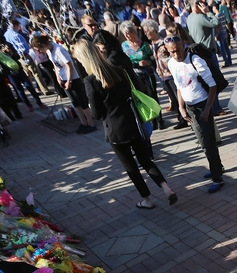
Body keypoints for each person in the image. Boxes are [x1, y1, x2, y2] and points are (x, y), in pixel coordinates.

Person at [72, 40, 177, 209]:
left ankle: (147, 200)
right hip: (133, 122)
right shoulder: (119, 70)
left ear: (85, 59)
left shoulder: (90, 81)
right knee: (145, 159)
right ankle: (166, 187)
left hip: (115, 131)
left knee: (130, 167)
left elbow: (97, 114)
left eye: (79, 60)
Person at [164, 35, 226, 193]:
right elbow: (179, 86)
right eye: (172, 52)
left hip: (203, 105)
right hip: (189, 108)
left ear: (183, 46)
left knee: (210, 142)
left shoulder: (195, 60)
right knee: (203, 142)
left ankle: (218, 178)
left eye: (178, 50)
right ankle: (216, 167)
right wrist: (181, 107)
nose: (176, 55)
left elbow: (212, 86)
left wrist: (207, 110)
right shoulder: (171, 63)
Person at [31, 35, 96, 134]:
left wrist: (69, 81)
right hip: (63, 79)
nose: (40, 52)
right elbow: (55, 65)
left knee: (82, 102)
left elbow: (69, 65)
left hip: (73, 78)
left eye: (39, 49)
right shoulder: (49, 51)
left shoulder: (59, 49)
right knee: (75, 103)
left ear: (43, 45)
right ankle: (83, 123)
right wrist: (58, 78)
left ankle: (91, 124)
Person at [120, 20, 165, 130]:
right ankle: (151, 121)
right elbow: (124, 62)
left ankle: (160, 120)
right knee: (143, 99)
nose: (126, 36)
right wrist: (134, 64)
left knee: (153, 96)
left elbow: (153, 59)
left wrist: (147, 62)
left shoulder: (144, 44)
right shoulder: (124, 46)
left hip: (148, 75)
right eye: (124, 33)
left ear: (133, 32)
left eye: (128, 33)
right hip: (135, 77)